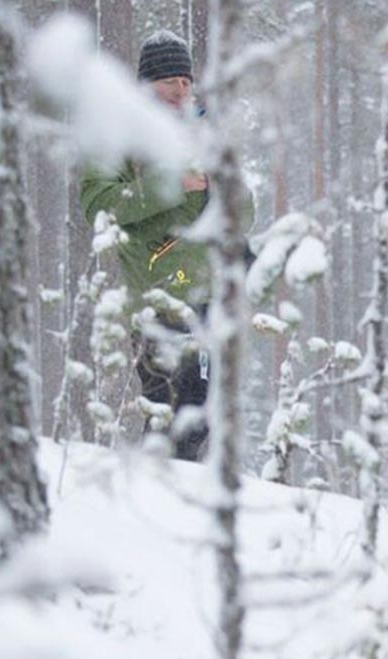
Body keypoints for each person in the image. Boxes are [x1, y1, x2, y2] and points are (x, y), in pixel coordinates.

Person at [82, 30, 253, 461]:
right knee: (176, 405)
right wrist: (167, 186)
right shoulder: (118, 135)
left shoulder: (208, 134)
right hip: (158, 291)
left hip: (210, 292)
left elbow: (246, 211)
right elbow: (97, 204)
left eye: (185, 81)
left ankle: (169, 499)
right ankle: (156, 498)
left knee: (201, 414)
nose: (179, 90)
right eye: (168, 82)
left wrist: (224, 191)